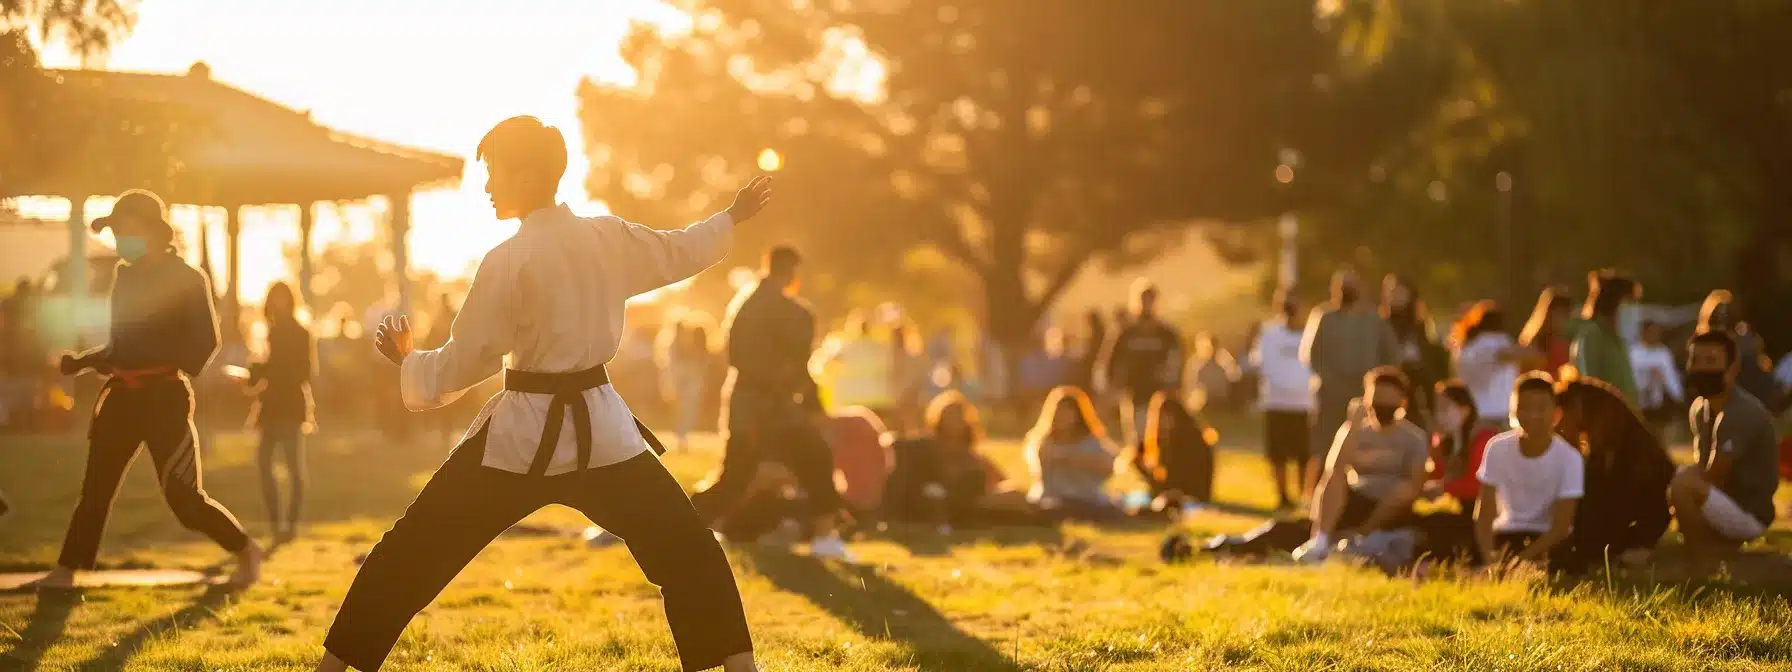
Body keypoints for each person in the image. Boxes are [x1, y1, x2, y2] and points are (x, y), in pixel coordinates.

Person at [314, 117, 765, 672]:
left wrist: (410, 362)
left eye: (493, 173)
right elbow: (678, 250)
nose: (486, 188)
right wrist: (730, 218)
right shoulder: (606, 237)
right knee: (690, 550)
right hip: (601, 437)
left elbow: (466, 360)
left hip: (523, 439)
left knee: (411, 552)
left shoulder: (510, 260)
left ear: (527, 174)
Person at [41, 189, 263, 589]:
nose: (118, 238)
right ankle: (66, 571)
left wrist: (151, 357)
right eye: (114, 231)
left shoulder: (188, 279)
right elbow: (121, 347)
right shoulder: (123, 276)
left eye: (125, 229)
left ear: (152, 231)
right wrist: (84, 362)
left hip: (166, 399)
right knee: (96, 488)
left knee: (185, 499)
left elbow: (205, 342)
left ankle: (245, 549)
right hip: (122, 397)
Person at [693, 244, 854, 562]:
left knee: (735, 479)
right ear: (793, 273)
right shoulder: (792, 312)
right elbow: (797, 365)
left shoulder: (743, 304)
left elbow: (737, 358)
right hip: (772, 410)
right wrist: (814, 405)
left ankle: (680, 526)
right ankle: (824, 538)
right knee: (814, 459)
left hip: (744, 406)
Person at [1671, 329, 1780, 577]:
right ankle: (1713, 549)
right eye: (1695, 360)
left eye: (1710, 361)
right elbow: (1704, 468)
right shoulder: (1700, 409)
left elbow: (1714, 475)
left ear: (1732, 368)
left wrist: (1678, 486)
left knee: (1681, 487)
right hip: (1722, 501)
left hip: (1750, 511)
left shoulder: (1741, 412)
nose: (1700, 368)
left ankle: (1702, 560)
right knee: (1677, 482)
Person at [1294, 367, 1429, 564]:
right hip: (1355, 498)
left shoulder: (1414, 437)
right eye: (1377, 400)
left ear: (1402, 403)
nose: (1382, 406)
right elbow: (1335, 467)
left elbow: (1415, 483)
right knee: (1335, 476)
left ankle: (1362, 534)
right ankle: (1320, 540)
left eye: (1388, 402)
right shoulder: (1355, 431)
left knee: (1405, 489)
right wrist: (1352, 425)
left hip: (1390, 505)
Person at [1554, 377, 1674, 572]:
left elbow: (1607, 493)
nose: (1560, 424)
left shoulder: (1614, 440)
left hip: (1645, 515)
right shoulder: (1610, 430)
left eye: (1564, 415)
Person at [1300, 268, 1398, 492]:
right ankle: (1318, 493)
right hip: (1330, 396)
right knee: (1326, 446)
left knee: (1363, 445)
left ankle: (1359, 492)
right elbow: (1312, 355)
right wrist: (1332, 380)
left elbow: (1390, 356)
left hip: (1365, 397)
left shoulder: (1375, 320)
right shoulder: (1324, 316)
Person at [1473, 373, 1583, 571]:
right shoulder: (1496, 447)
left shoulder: (1570, 458)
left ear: (1556, 414)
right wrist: (1490, 559)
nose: (1532, 414)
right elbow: (1484, 511)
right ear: (1512, 411)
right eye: (1524, 407)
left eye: (1541, 408)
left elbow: (1561, 527)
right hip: (1507, 534)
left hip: (1547, 540)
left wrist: (1516, 562)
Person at [240, 281, 315, 544]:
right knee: (265, 465)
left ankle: (289, 526)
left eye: (282, 299)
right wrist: (254, 374)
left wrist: (263, 372)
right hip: (270, 407)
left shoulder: (299, 332)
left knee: (294, 468)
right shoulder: (269, 332)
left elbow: (303, 372)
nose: (277, 304)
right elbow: (268, 369)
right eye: (274, 299)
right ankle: (276, 525)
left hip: (291, 407)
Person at [883, 391, 1017, 531]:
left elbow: (1000, 481)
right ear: (940, 418)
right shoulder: (927, 449)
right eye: (950, 415)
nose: (954, 420)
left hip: (973, 501)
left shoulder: (972, 456)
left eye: (958, 415)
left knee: (1012, 496)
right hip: (947, 504)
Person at [1097, 280, 1185, 451]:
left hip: (1161, 392)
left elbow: (1176, 362)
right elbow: (1110, 361)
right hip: (1134, 392)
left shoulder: (1166, 333)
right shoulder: (1125, 332)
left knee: (1161, 435)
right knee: (1137, 437)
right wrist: (1111, 387)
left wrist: (1175, 386)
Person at [1250, 291, 1314, 508]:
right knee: (1278, 454)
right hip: (1276, 401)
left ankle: (1304, 496)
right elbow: (1262, 364)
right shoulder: (1269, 333)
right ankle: (1283, 496)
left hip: (1303, 403)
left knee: (1303, 454)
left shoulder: (1310, 333)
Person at [1025, 386, 1121, 520]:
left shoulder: (1092, 442)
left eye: (1067, 411)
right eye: (1059, 411)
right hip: (1051, 500)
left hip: (1086, 500)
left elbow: (1108, 467)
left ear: (1078, 415)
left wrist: (1068, 456)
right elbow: (1041, 472)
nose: (1062, 416)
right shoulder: (1044, 442)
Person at [1382, 274, 1451, 428]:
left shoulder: (1421, 325)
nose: (1395, 296)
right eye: (1391, 292)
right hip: (1393, 386)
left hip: (1421, 390)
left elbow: (1433, 358)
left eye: (1399, 291)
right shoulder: (1382, 326)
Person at [1452, 301, 1530, 432]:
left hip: (1472, 414)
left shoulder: (1466, 346)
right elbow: (1505, 354)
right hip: (1497, 416)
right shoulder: (1494, 340)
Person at [1423, 381, 1496, 519]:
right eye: (1437, 409)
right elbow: (1436, 475)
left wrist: (1444, 488)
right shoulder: (1442, 442)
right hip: (1453, 508)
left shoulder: (1484, 440)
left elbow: (1480, 486)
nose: (1439, 415)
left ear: (1465, 410)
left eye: (1444, 408)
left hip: (1481, 510)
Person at [1569, 270, 1641, 407]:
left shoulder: (1618, 339)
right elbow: (1589, 386)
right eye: (1629, 302)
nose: (1633, 309)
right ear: (1613, 302)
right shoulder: (1591, 335)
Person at [1696, 290, 1778, 409]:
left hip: (1753, 393)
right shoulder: (1705, 343)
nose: (1724, 316)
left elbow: (1761, 362)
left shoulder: (1745, 337)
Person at [1138, 390, 1217, 510]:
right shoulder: (1185, 436)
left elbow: (1171, 484)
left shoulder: (1186, 442)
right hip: (1195, 494)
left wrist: (1139, 465)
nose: (1163, 423)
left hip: (1190, 496)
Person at [810, 311, 895, 417]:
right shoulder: (880, 348)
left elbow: (823, 367)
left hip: (850, 401)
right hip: (877, 400)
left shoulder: (843, 347)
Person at [659, 319, 715, 451]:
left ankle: (682, 436)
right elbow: (672, 368)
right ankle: (681, 437)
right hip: (680, 381)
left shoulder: (684, 346)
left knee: (686, 409)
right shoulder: (673, 346)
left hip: (684, 381)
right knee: (683, 409)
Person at [1629, 321, 1682, 441]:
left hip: (1657, 402)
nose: (1655, 335)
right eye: (1651, 332)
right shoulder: (1633, 353)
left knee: (1658, 434)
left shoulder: (1663, 353)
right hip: (1638, 401)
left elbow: (1671, 376)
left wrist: (1677, 395)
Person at [1518, 287, 1574, 375]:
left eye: (1565, 314)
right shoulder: (1536, 344)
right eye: (1557, 313)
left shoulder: (1573, 342)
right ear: (1547, 315)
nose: (1561, 319)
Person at [889, 317, 931, 434]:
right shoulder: (890, 355)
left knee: (911, 424)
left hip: (907, 395)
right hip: (900, 396)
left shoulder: (912, 356)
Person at [1185, 331, 1241, 411]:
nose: (1209, 350)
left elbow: (1235, 376)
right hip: (1202, 399)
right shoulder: (1194, 364)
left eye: (1211, 346)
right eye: (1204, 347)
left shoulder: (1223, 358)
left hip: (1220, 398)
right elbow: (1191, 387)